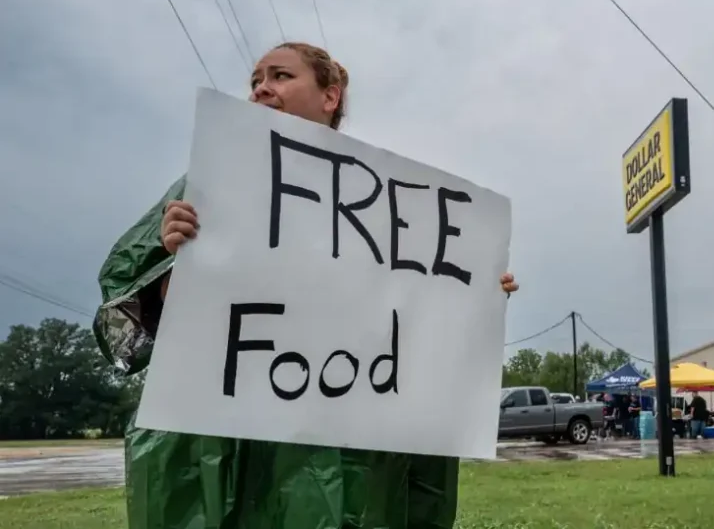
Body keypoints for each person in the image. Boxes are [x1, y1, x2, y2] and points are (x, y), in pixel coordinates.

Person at [93, 42, 521, 529]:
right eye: (255, 80)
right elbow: (126, 327)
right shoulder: (211, 182)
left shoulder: (388, 203)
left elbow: (417, 320)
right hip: (229, 447)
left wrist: (477, 292)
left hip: (351, 448)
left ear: (329, 97)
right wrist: (168, 268)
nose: (261, 89)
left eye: (280, 76)